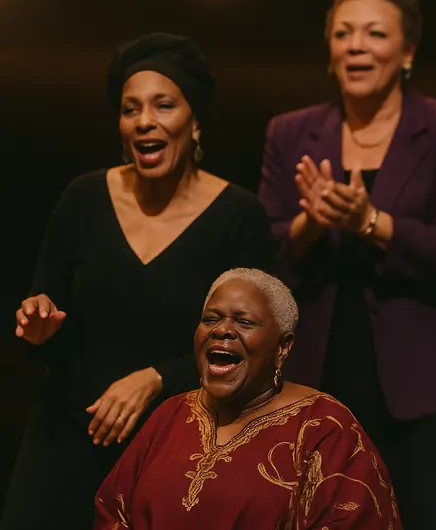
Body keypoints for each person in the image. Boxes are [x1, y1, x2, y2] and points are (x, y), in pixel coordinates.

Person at [1, 33, 274, 530]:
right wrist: (36, 327)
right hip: (64, 440)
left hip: (179, 448)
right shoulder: (84, 198)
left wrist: (157, 378)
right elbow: (44, 316)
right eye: (131, 109)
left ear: (194, 122)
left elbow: (250, 349)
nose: (145, 120)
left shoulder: (239, 216)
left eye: (164, 105)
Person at [257, 0, 436, 529]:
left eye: (375, 35)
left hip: (426, 386)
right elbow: (264, 252)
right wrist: (310, 223)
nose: (356, 46)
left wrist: (371, 222)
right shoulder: (291, 133)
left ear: (407, 50)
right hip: (318, 374)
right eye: (344, 34)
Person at [94, 268, 398, 529]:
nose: (223, 330)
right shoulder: (171, 414)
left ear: (282, 348)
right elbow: (112, 510)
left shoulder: (324, 427)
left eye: (244, 322)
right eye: (211, 319)